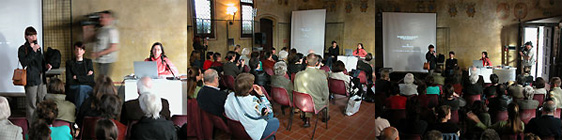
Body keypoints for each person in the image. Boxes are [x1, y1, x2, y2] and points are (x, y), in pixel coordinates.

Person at [224, 73, 279, 140]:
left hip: (238, 129)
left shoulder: (230, 96)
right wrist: (261, 95)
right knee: (274, 120)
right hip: (252, 132)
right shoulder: (253, 101)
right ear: (250, 89)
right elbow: (269, 110)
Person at [18, 26, 51, 123]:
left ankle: (43, 123)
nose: (34, 37)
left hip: (41, 77)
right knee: (31, 102)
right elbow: (24, 62)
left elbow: (39, 63)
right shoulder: (23, 49)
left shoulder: (38, 47)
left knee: (43, 100)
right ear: (26, 36)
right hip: (31, 78)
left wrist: (46, 66)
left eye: (35, 35)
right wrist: (33, 51)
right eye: (31, 35)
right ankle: (31, 126)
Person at [294, 53, 329, 127]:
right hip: (314, 104)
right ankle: (325, 117)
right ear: (317, 63)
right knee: (325, 99)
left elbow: (296, 90)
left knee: (307, 95)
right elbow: (325, 94)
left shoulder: (298, 75)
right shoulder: (322, 75)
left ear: (306, 61)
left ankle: (307, 120)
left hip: (300, 103)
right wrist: (324, 100)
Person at [82, 10, 119, 76]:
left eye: (102, 17)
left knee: (103, 80)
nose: (100, 19)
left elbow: (113, 48)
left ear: (108, 18)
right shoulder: (101, 29)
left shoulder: (112, 31)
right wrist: (86, 28)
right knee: (99, 79)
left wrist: (98, 54)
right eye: (100, 17)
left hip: (106, 61)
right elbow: (88, 39)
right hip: (99, 60)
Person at [66, 42, 96, 110]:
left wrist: (77, 78)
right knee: (81, 89)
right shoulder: (70, 63)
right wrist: (85, 76)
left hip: (87, 86)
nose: (78, 51)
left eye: (80, 49)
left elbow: (91, 79)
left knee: (82, 89)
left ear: (84, 51)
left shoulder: (88, 62)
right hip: (74, 86)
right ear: (74, 51)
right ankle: (82, 112)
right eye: (76, 49)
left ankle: (79, 112)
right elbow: (69, 80)